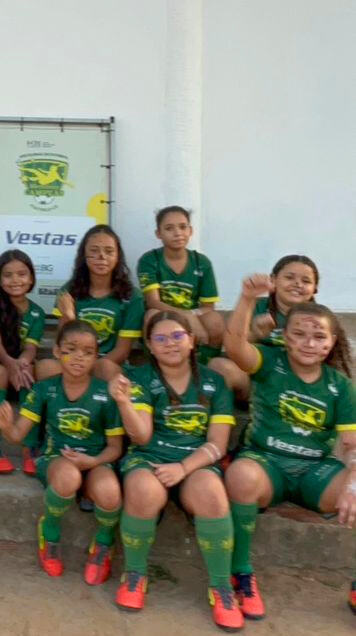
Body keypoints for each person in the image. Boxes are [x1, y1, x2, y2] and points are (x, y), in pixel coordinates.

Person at [222, 275, 355, 622]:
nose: (308, 343)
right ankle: (242, 573)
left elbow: (352, 444)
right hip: (267, 464)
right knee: (240, 475)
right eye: (298, 334)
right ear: (285, 337)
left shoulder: (340, 385)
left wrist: (352, 483)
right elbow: (234, 347)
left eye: (318, 336)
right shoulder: (270, 363)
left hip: (315, 472)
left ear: (331, 342)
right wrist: (247, 298)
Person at [110, 312, 242, 631]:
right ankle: (136, 574)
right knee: (143, 489)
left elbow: (217, 444)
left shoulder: (213, 382)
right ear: (150, 347)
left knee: (211, 494)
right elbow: (140, 436)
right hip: (149, 457)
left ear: (192, 340)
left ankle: (221, 587)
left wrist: (183, 468)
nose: (170, 343)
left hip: (195, 459)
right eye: (161, 338)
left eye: (178, 336)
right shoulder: (140, 378)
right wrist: (125, 403)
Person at [0, 321, 123, 585]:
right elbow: (18, 436)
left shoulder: (105, 394)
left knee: (110, 493)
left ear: (96, 357)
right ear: (56, 351)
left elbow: (115, 448)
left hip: (97, 460)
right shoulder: (44, 389)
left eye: (88, 352)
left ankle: (103, 544)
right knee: (68, 478)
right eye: (71, 349)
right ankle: (49, 531)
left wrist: (94, 461)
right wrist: (7, 427)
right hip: (57, 459)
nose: (79, 357)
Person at [39, 225, 143, 382]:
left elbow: (122, 350)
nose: (101, 257)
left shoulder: (132, 296)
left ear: (117, 256)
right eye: (94, 251)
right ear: (84, 255)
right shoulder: (68, 291)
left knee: (105, 367)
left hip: (109, 363)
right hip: (74, 361)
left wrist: (89, 366)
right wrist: (68, 317)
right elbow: (64, 344)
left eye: (109, 251)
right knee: (45, 367)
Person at [209, 255, 319, 400]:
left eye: (306, 281)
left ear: (315, 288)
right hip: (255, 380)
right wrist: (255, 334)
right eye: (289, 278)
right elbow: (231, 347)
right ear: (273, 280)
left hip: (296, 384)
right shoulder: (254, 305)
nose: (297, 284)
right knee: (219, 366)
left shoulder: (320, 318)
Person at [0, 249, 45, 475]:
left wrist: (22, 364)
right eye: (7, 275)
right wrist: (11, 364)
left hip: (19, 367)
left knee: (29, 376)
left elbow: (30, 348)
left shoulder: (36, 312)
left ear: (31, 278)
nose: (15, 280)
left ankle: (30, 446)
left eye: (21, 274)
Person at [136, 206, 223, 353]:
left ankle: (207, 363)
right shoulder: (149, 260)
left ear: (191, 231)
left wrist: (192, 315)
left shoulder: (202, 262)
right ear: (158, 233)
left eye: (183, 227)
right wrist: (186, 316)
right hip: (162, 314)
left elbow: (208, 306)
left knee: (214, 320)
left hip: (193, 314)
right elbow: (153, 302)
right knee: (150, 314)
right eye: (169, 228)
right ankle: (154, 365)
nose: (177, 233)